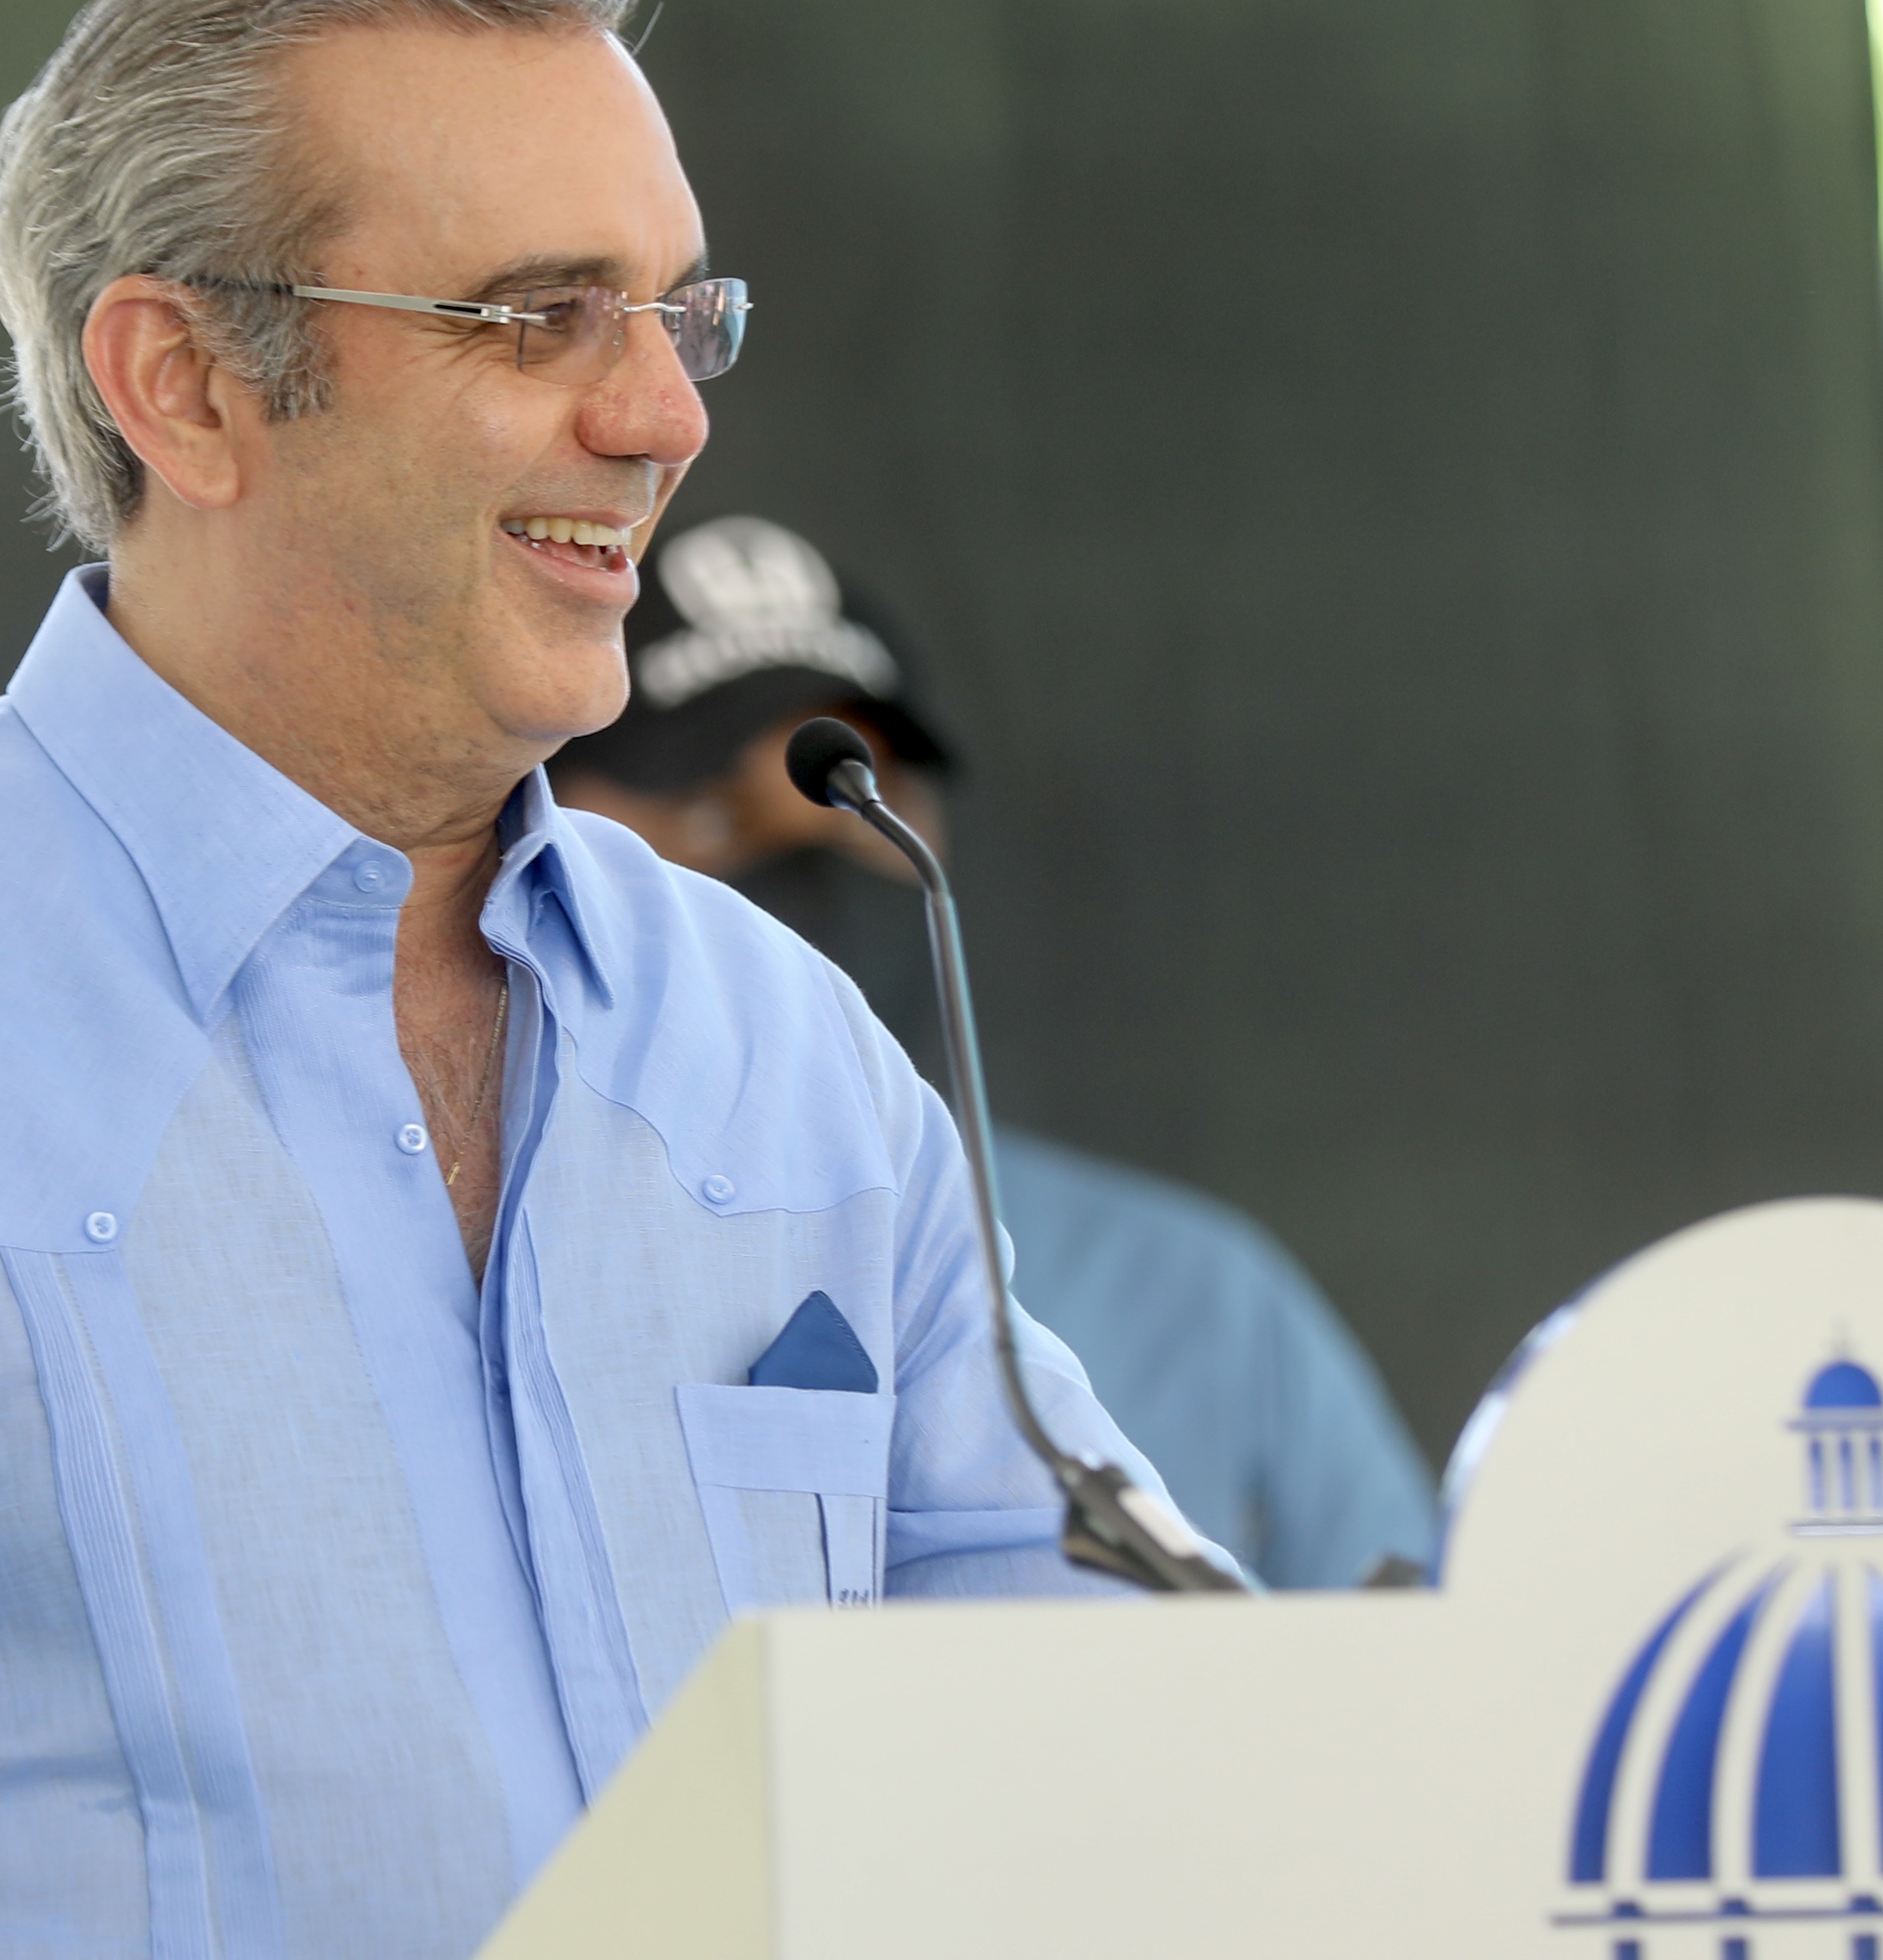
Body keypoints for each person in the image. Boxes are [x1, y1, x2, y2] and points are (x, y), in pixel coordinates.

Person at [0, 0, 1206, 1960]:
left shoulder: (785, 1048)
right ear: (184, 383)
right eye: (540, 318)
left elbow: (1123, 1748)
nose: (664, 416)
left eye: (680, 314)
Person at [553, 514, 1437, 1590]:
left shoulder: (1195, 1296)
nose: (814, 854)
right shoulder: (497, 1244)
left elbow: (1418, 1673)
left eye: (859, 798)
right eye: (709, 810)